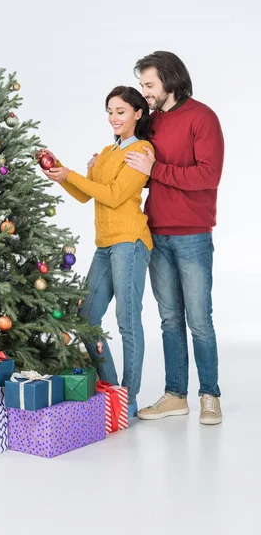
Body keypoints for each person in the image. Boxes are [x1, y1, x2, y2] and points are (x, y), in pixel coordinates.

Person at [89, 52, 225, 425]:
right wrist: (100, 167)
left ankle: (209, 395)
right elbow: (136, 173)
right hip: (155, 232)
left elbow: (208, 175)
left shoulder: (202, 117)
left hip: (193, 233)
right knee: (168, 319)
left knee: (199, 320)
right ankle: (175, 395)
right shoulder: (151, 125)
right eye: (143, 86)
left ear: (169, 80)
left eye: (149, 85)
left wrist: (156, 168)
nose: (145, 93)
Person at [40, 86, 153, 418]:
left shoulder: (142, 150)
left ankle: (128, 399)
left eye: (121, 111)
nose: (114, 118)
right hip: (105, 245)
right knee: (87, 317)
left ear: (137, 113)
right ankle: (112, 387)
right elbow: (85, 195)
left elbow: (116, 195)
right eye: (109, 112)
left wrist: (73, 175)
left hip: (130, 242)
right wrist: (61, 174)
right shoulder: (106, 152)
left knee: (127, 319)